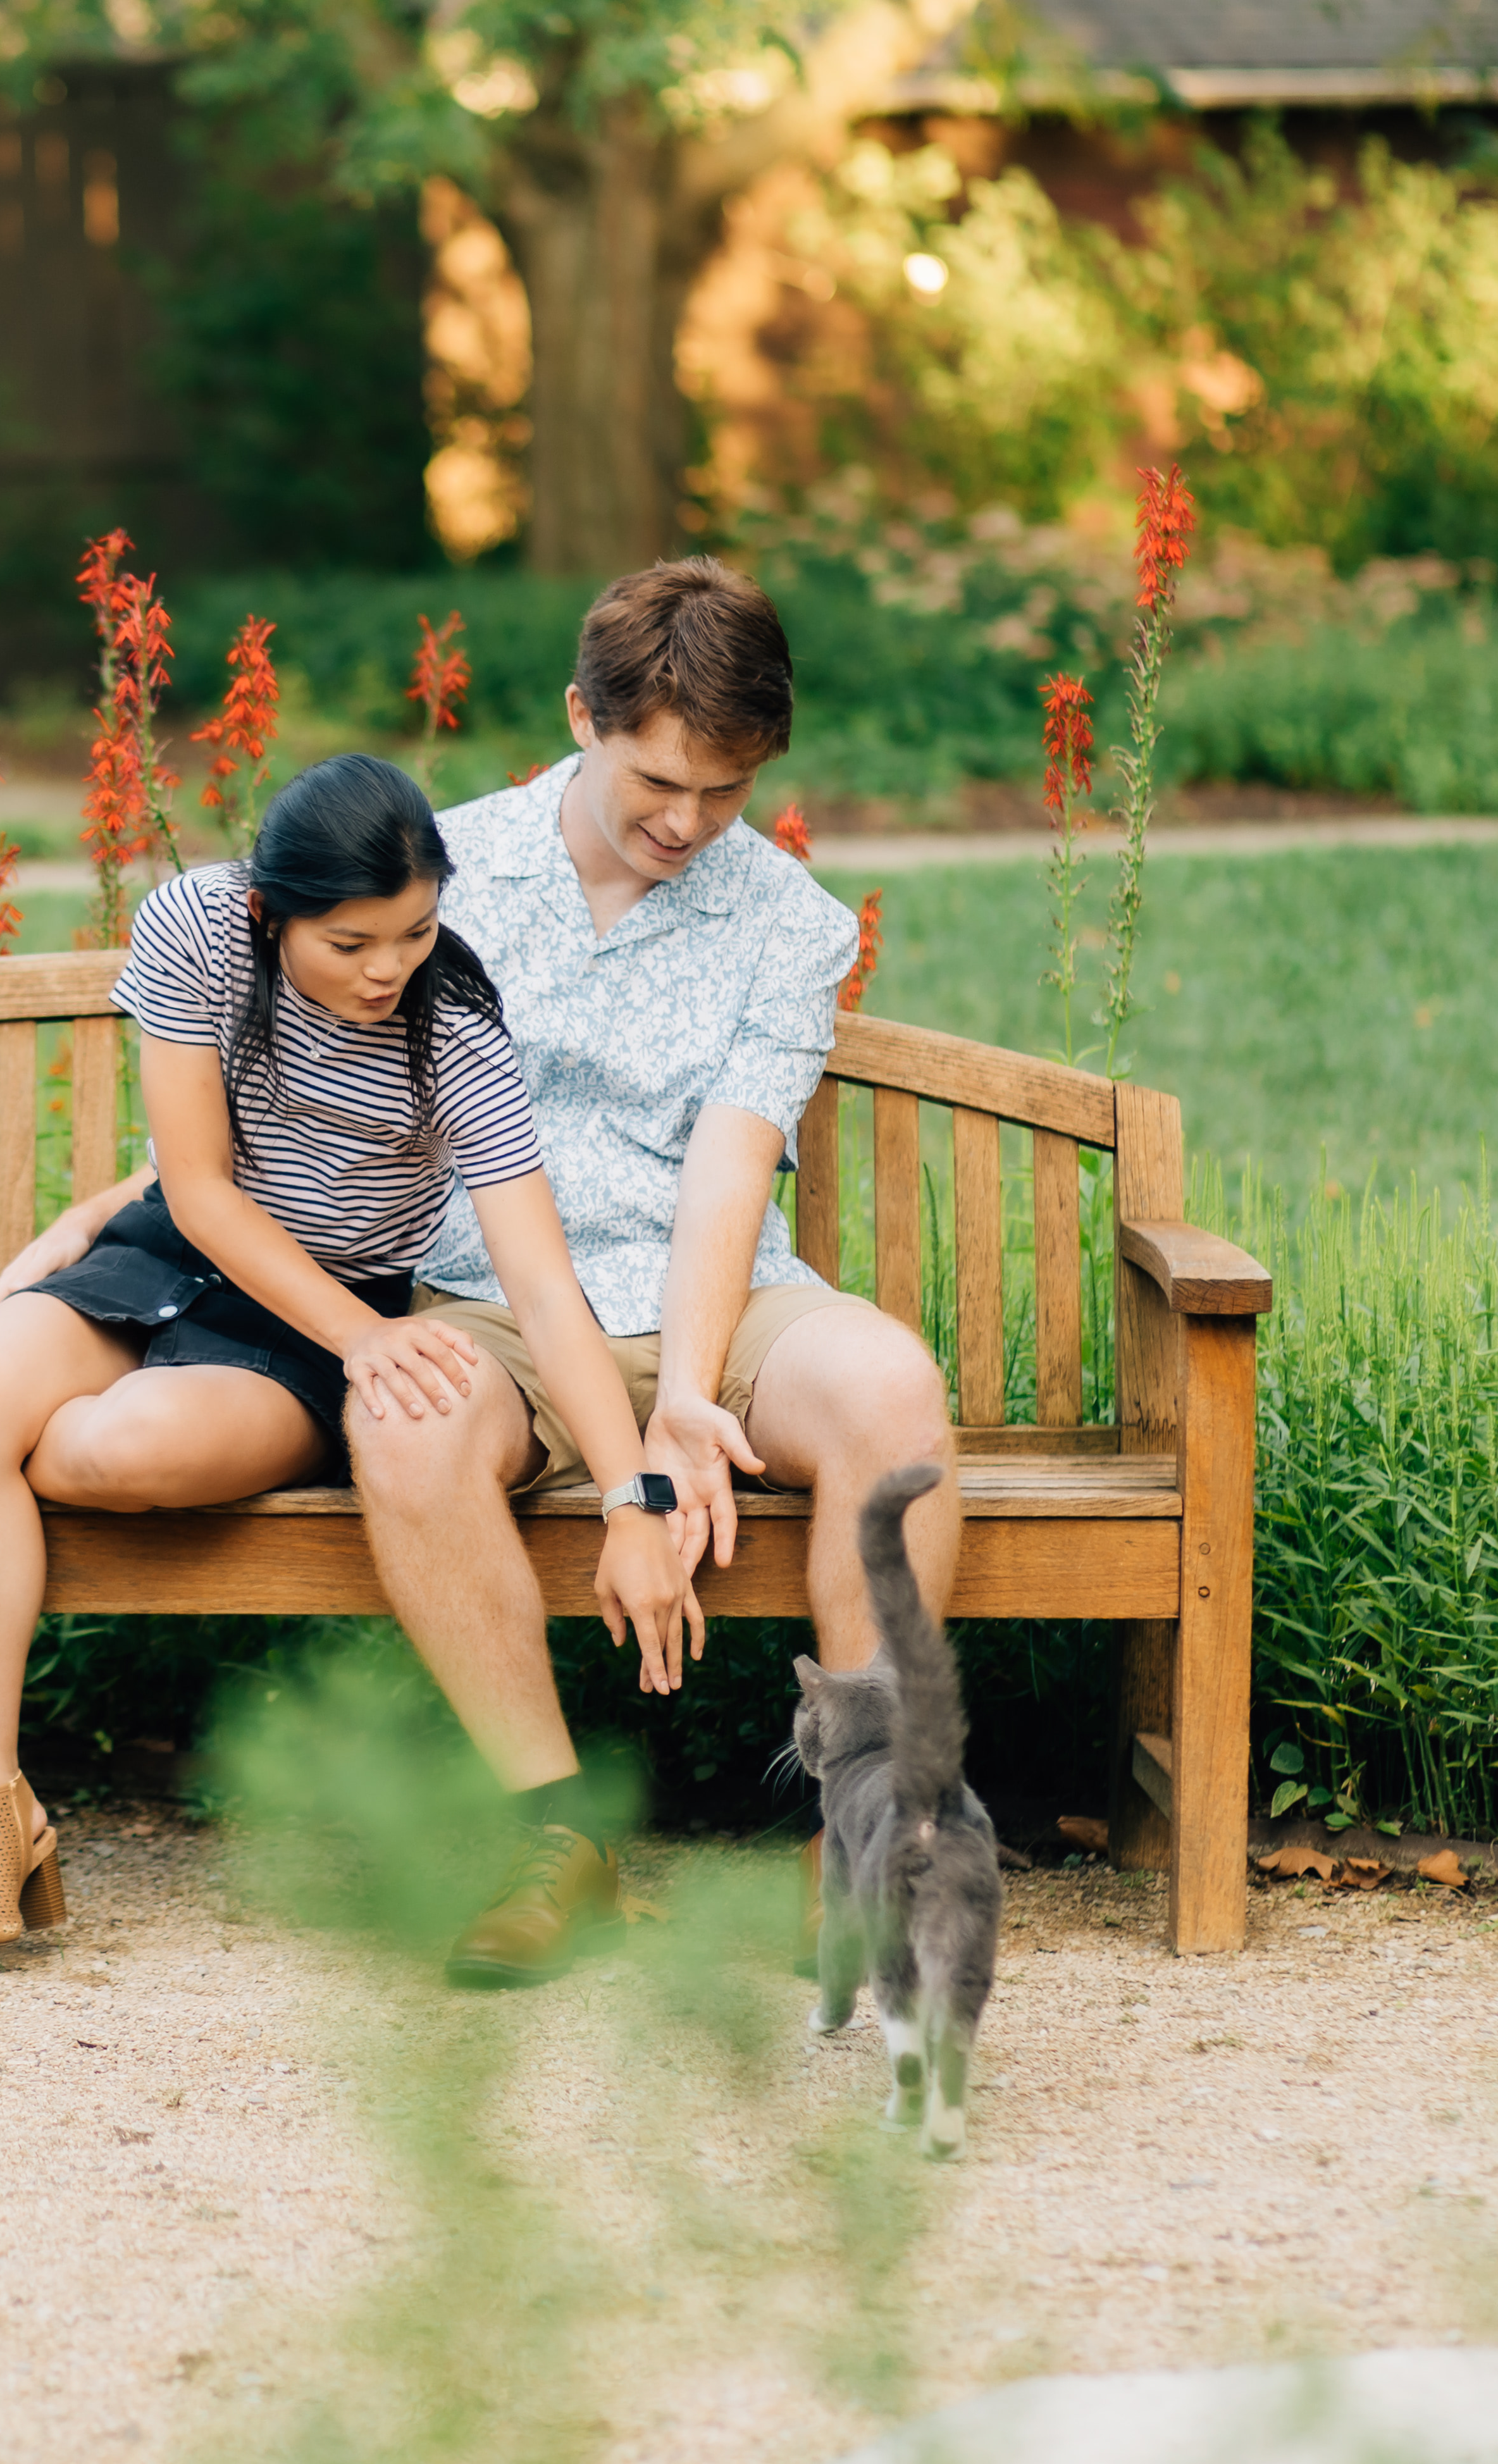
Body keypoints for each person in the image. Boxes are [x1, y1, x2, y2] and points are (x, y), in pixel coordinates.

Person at [0, 752, 698, 1964]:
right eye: (348, 942)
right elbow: (200, 1189)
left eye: (413, 933)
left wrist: (634, 1494)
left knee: (100, 1447)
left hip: (319, 1322)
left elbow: (540, 1286)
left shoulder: (458, 1033)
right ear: (271, 913)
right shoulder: (198, 928)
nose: (386, 970)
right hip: (180, 1249)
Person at [356, 557, 961, 1988]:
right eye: (654, 783)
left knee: (889, 1393)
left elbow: (725, 1174)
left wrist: (684, 1397)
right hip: (492, 1301)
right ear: (580, 716)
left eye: (727, 788)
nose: (687, 822)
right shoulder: (439, 873)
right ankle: (555, 1839)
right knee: (404, 1418)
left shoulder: (786, 921)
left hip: (724, 1300)